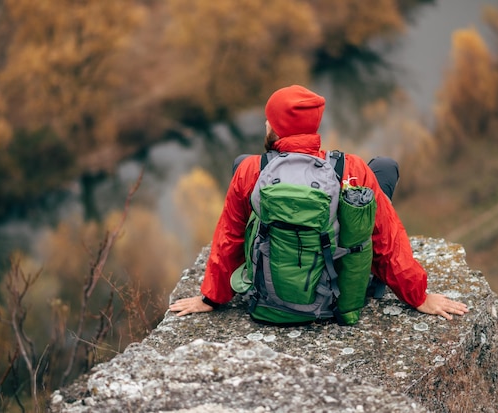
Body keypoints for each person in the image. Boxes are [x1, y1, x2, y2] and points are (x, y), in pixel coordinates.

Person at [169, 85, 468, 321]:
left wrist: (211, 297)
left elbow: (230, 237)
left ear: (275, 129)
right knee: (383, 172)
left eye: (268, 121)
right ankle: (375, 279)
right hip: (336, 298)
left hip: (267, 297)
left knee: (241, 164)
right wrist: (418, 296)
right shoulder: (349, 168)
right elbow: (385, 237)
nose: (264, 124)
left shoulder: (251, 171)